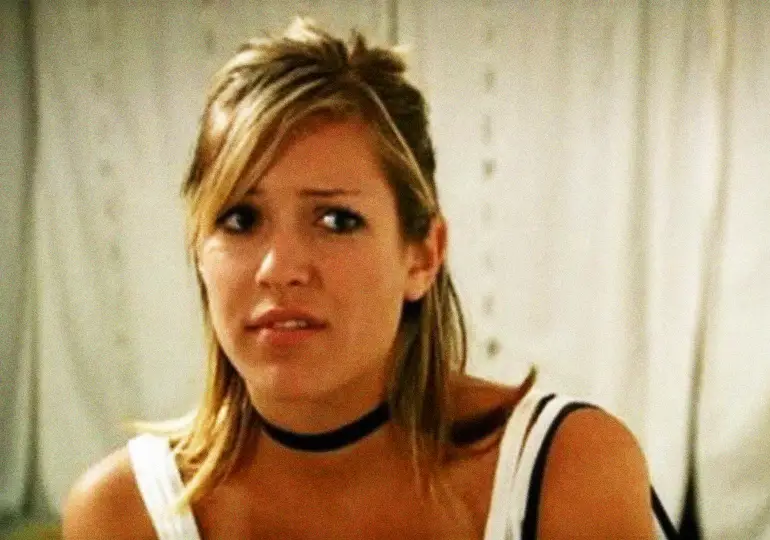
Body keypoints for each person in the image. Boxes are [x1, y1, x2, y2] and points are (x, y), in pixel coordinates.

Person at [61, 17, 653, 539]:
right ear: (198, 251)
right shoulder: (122, 514)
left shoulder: (566, 472)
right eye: (240, 219)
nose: (279, 269)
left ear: (422, 257)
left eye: (336, 220)